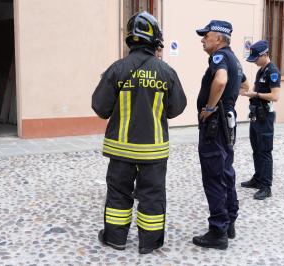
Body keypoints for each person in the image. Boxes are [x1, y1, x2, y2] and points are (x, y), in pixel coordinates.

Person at [92, 11, 186, 254]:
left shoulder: (117, 69)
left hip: (120, 149)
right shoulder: (166, 72)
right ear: (155, 40)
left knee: (118, 195)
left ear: (130, 39)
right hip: (153, 150)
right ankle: (149, 244)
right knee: (152, 196)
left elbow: (100, 108)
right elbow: (177, 108)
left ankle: (115, 239)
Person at [192, 20, 246, 250]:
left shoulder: (219, 57)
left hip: (215, 125)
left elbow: (222, 80)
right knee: (226, 172)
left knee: (214, 175)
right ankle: (229, 222)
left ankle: (218, 231)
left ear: (219, 39)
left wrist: (212, 107)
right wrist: (228, 104)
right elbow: (244, 85)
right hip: (227, 124)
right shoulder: (235, 59)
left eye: (207, 35)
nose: (203, 39)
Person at [240, 40, 281, 200]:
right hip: (256, 115)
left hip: (266, 117)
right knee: (256, 149)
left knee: (265, 151)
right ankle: (257, 179)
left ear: (265, 55)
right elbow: (257, 91)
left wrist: (256, 95)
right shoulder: (260, 71)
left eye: (256, 58)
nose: (255, 61)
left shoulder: (273, 71)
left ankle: (266, 186)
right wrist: (248, 92)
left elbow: (275, 96)